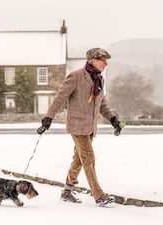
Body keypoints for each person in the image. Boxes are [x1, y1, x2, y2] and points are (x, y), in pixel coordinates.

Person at [40, 47, 122, 207]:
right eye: (103, 60)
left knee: (78, 160)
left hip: (90, 126)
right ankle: (99, 196)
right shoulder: (76, 76)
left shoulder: (99, 79)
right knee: (89, 159)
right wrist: (48, 117)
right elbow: (60, 96)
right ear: (93, 60)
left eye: (106, 61)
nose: (106, 63)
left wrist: (112, 118)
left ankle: (67, 191)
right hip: (77, 125)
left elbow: (102, 102)